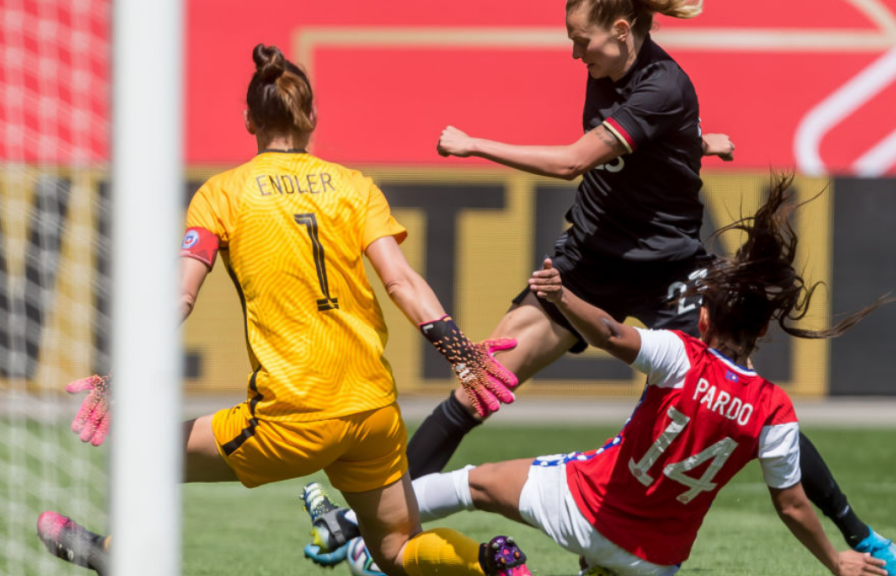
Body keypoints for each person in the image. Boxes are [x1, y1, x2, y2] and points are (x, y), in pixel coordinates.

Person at [398, 1, 896, 572]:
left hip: (668, 271)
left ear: (622, 31)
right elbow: (643, 143)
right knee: (479, 384)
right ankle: (376, 526)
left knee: (745, 396)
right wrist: (696, 142)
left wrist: (473, 144)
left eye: (582, 41)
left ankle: (864, 539)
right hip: (590, 262)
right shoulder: (610, 69)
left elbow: (574, 162)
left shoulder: (664, 84)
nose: (574, 53)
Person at [35, 44, 531, 576]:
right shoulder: (355, 187)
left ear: (248, 119)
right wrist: (461, 354)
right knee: (397, 550)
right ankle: (488, 562)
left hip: (295, 417)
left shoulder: (221, 194)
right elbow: (401, 281)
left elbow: (180, 296)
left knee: (144, 455)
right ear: (311, 116)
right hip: (371, 412)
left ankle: (116, 556)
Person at [302, 178, 896, 576]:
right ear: (763, 332)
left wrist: (560, 294)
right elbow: (790, 505)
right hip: (657, 562)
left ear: (703, 318)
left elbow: (608, 333)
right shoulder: (774, 410)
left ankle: (364, 534)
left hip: (586, 509)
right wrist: (837, 560)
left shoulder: (681, 354)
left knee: (471, 485)